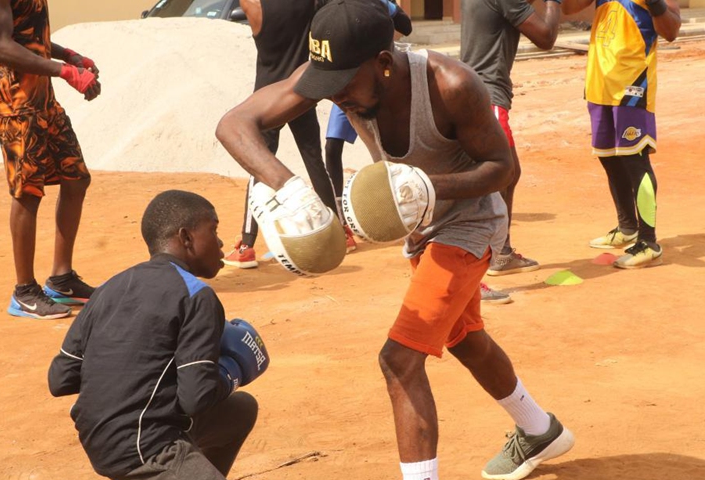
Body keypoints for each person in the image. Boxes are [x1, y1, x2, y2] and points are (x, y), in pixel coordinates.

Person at [215, 1, 574, 479]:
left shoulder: (452, 84)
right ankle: (539, 429)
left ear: (384, 64)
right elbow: (234, 124)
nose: (334, 98)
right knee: (464, 338)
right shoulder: (338, 73)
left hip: (469, 224)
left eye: (342, 85)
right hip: (421, 226)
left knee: (399, 360)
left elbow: (504, 167)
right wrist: (288, 186)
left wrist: (429, 185)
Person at [48, 190, 267, 480]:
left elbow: (60, 379)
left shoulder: (109, 288)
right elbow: (196, 398)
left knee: (240, 410)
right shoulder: (196, 296)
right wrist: (230, 376)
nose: (220, 242)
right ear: (186, 238)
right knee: (216, 398)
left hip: (97, 436)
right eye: (213, 229)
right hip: (148, 448)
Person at [0, 0, 102, 319]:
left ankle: (62, 280)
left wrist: (68, 55)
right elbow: (0, 46)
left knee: (77, 178)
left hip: (42, 100)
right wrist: (65, 71)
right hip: (14, 101)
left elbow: (26, 34)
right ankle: (24, 291)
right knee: (27, 191)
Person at [224, 0, 349, 269]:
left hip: (266, 100)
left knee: (259, 166)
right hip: (299, 93)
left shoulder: (255, 6)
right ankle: (341, 232)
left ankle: (246, 246)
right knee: (315, 160)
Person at [563, 0, 681, 268]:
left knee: (635, 158)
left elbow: (672, 30)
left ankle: (649, 243)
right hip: (599, 81)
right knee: (609, 156)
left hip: (632, 84)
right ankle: (627, 227)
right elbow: (568, 9)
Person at [461, 0, 562, 285]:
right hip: (487, 95)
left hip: (480, 92)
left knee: (510, 172)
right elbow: (546, 37)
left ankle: (500, 252)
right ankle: (483, 259)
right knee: (495, 177)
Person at [324, 0, 413, 253]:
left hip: (375, 85)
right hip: (345, 84)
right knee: (332, 148)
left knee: (385, 152)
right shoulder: (333, 7)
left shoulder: (378, 2)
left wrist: (383, 35)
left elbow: (406, 25)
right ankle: (342, 220)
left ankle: (404, 211)